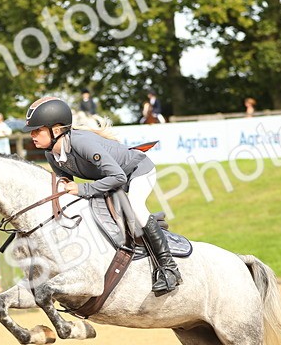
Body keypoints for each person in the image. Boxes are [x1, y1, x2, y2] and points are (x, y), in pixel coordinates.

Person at [25, 96, 181, 295]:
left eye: (37, 130)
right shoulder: (51, 153)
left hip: (136, 171)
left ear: (56, 130)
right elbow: (66, 185)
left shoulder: (82, 143)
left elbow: (118, 176)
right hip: (110, 180)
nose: (33, 136)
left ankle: (168, 268)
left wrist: (83, 190)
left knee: (136, 207)